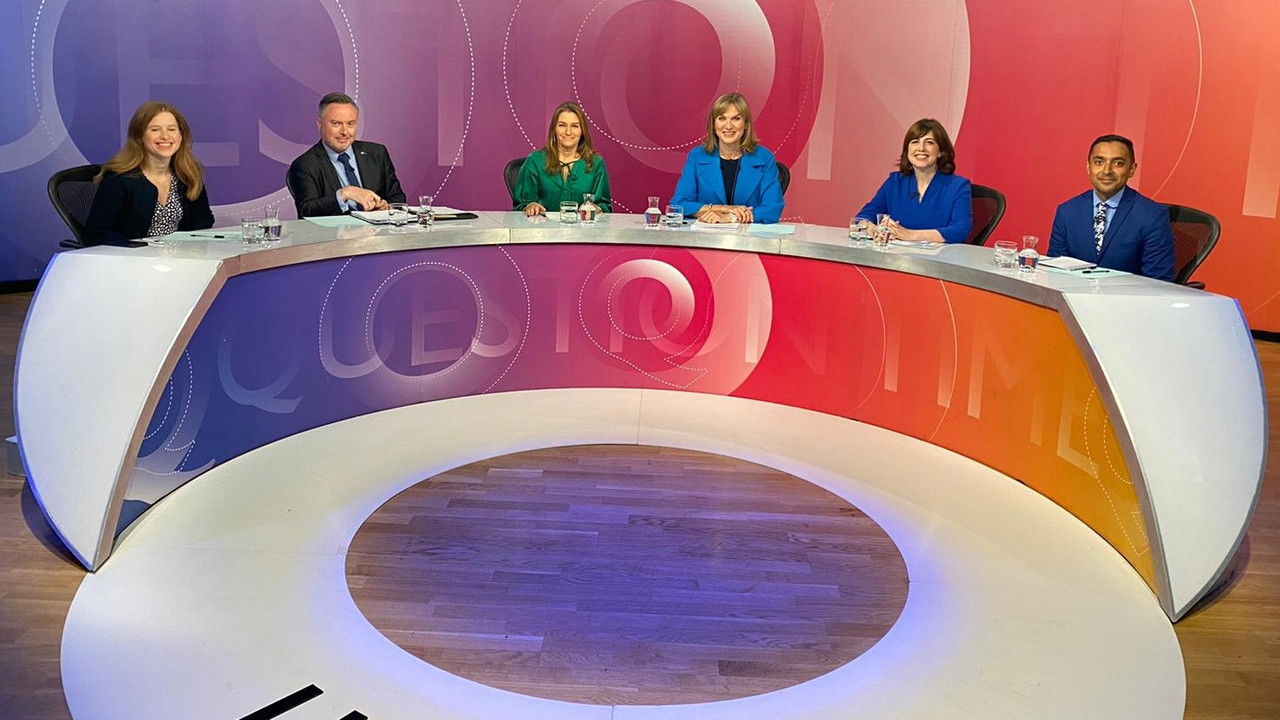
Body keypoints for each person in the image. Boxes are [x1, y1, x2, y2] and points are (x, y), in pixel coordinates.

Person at [83, 101, 214, 246]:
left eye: (171, 129)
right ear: (140, 136)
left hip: (180, 255)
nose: (165, 136)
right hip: (132, 256)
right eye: (155, 130)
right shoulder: (118, 179)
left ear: (181, 136)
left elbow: (203, 220)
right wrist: (142, 249)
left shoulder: (187, 174)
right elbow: (97, 234)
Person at [1048, 134, 1174, 280]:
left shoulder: (1152, 215)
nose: (1107, 171)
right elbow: (1054, 271)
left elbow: (1158, 280)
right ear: (1088, 167)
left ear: (1132, 169)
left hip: (1127, 294)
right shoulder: (1067, 212)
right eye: (1099, 162)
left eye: (1118, 163)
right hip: (1073, 293)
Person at [671, 92, 784, 224]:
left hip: (749, 235)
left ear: (746, 124)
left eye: (736, 119)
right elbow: (679, 204)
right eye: (722, 118)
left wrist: (730, 217)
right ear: (714, 124)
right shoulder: (697, 156)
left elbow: (773, 209)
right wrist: (723, 209)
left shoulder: (764, 158)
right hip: (706, 234)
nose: (728, 126)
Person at [286, 92, 405, 218]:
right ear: (320, 124)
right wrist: (344, 194)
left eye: (350, 124)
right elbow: (306, 210)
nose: (344, 132)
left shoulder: (377, 153)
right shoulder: (305, 165)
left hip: (378, 230)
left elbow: (398, 199)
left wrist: (387, 208)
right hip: (336, 230)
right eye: (336, 124)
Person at [857, 118, 971, 243]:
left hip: (939, 255)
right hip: (897, 254)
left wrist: (909, 235)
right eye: (915, 142)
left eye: (929, 142)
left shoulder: (958, 186)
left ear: (940, 152)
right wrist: (875, 230)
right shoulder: (894, 182)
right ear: (907, 151)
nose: (921, 148)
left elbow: (960, 230)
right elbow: (862, 218)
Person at [514, 101, 611, 216]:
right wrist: (530, 206)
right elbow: (520, 207)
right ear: (554, 129)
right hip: (542, 226)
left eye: (575, 126)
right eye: (562, 125)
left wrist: (597, 209)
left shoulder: (596, 163)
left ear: (582, 131)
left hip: (582, 227)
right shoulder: (535, 161)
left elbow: (605, 207)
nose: (568, 132)